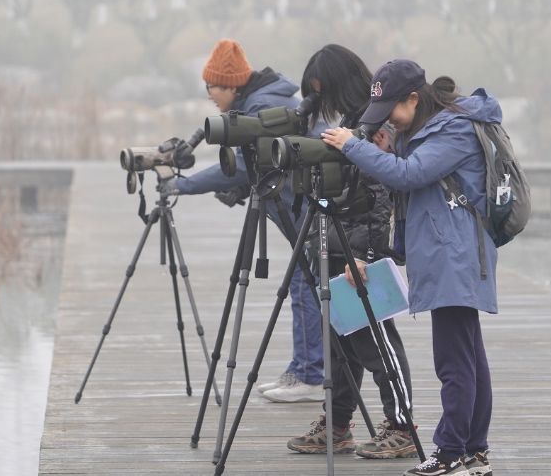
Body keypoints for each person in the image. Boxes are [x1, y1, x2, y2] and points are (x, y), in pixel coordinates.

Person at [321, 58, 497, 476]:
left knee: (453, 361)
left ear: (414, 99)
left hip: (453, 256)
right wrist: (383, 146)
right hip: (445, 252)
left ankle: (450, 453)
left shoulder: (455, 127)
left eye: (393, 113)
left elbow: (410, 174)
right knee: (470, 356)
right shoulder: (433, 126)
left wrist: (353, 145)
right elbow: (413, 164)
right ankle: (474, 451)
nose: (391, 123)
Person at [158, 38, 327, 403]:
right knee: (303, 281)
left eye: (211, 88)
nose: (209, 96)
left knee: (304, 283)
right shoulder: (260, 100)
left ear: (231, 86)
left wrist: (180, 185)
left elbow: (231, 169)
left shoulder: (262, 106)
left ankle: (312, 376)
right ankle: (303, 370)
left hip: (310, 207)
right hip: (300, 204)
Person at [285, 44, 417, 460]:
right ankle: (337, 423)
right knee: (343, 342)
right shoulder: (350, 122)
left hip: (361, 253)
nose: (316, 101)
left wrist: (369, 257)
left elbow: (379, 197)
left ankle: (403, 428)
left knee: (376, 344)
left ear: (336, 85)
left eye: (320, 91)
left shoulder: (369, 124)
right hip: (340, 245)